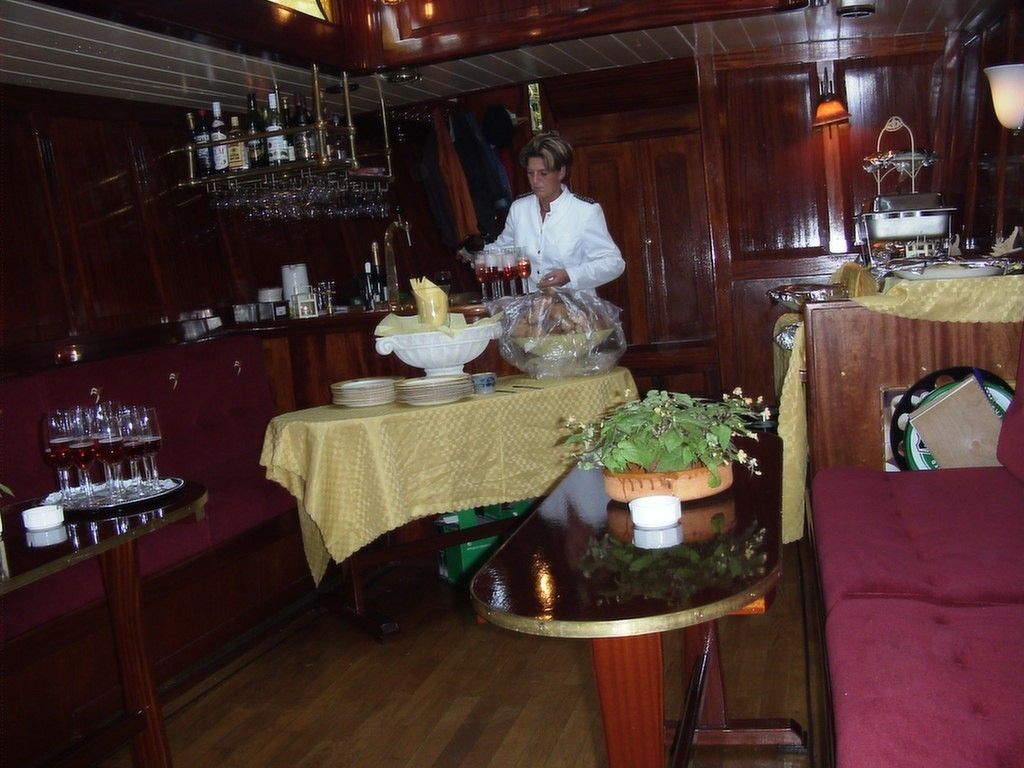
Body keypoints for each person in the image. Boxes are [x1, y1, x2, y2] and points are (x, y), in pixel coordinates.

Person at [488, 131, 625, 293]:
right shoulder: (519, 209)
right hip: (534, 305)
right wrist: (476, 256)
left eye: (543, 173)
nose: (535, 181)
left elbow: (614, 263)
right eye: (530, 173)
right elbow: (502, 249)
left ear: (561, 172)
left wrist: (570, 275)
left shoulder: (585, 212)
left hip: (576, 305)